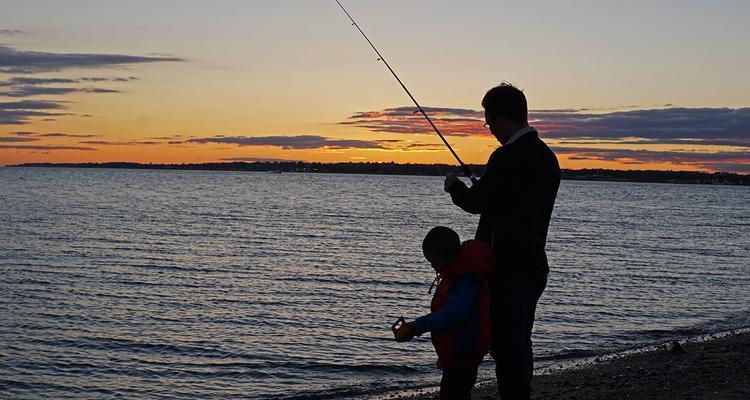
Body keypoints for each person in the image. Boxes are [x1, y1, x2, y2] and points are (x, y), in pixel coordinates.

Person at [444, 83, 560, 400]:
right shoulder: (549, 159)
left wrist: (454, 186)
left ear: (504, 117)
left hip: (505, 268)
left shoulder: (506, 157)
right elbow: (505, 200)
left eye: (490, 122)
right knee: (520, 341)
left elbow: (476, 202)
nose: (491, 129)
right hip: (535, 264)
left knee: (503, 345)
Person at [393, 226, 495, 400]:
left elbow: (453, 313)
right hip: (457, 351)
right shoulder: (455, 273)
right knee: (454, 392)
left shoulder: (466, 279)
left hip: (463, 351)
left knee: (453, 393)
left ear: (451, 258)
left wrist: (419, 325)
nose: (434, 268)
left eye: (435, 263)